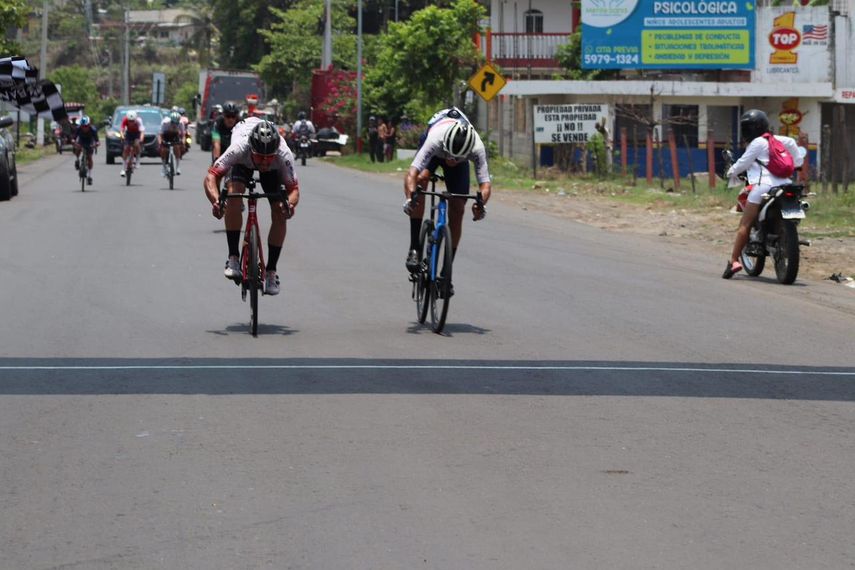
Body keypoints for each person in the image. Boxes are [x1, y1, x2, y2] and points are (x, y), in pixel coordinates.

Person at [203, 118, 300, 296]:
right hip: (242, 165)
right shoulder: (240, 148)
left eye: (268, 158)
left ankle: (271, 271)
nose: (263, 163)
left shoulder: (282, 154)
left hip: (273, 172)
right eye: (260, 157)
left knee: (280, 211)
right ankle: (233, 257)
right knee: (234, 196)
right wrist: (216, 200)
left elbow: (294, 190)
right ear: (251, 149)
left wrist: (289, 205)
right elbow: (211, 176)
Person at [402, 107, 490, 292]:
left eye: (456, 158)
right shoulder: (435, 139)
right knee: (421, 180)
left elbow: (485, 185)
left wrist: (480, 203)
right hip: (435, 154)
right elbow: (411, 173)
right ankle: (415, 249)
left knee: (458, 208)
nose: (451, 160)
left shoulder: (476, 147)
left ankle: (445, 272)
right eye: (449, 156)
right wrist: (411, 196)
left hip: (457, 159)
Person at [722, 109, 804, 279]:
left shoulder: (757, 143)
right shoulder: (786, 140)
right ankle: (781, 234)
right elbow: (798, 161)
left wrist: (730, 172)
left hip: (763, 186)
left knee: (745, 224)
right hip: (787, 184)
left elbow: (742, 164)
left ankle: (734, 261)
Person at [72, 115, 99, 185]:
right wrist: (73, 142)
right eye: (83, 126)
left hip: (89, 142)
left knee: (89, 157)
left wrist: (96, 145)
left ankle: (90, 176)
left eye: (86, 126)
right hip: (81, 141)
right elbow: (74, 138)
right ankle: (77, 160)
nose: (84, 128)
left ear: (89, 125)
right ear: (81, 125)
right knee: (78, 149)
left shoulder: (93, 130)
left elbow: (97, 141)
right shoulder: (78, 128)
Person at [159, 111, 186, 176]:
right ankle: (164, 167)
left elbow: (183, 135)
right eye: (173, 122)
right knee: (163, 150)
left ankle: (177, 167)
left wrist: (183, 143)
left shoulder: (181, 123)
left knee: (177, 148)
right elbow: (160, 135)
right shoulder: (165, 123)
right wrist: (161, 143)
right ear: (171, 120)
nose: (175, 124)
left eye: (176, 123)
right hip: (166, 135)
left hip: (175, 136)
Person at [120, 110, 144, 177]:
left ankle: (137, 161)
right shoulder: (125, 120)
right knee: (125, 149)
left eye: (132, 121)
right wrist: (122, 136)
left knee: (137, 144)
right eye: (130, 121)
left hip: (137, 134)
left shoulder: (139, 121)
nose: (131, 123)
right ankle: (123, 169)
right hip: (129, 134)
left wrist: (141, 139)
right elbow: (122, 129)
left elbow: (142, 132)